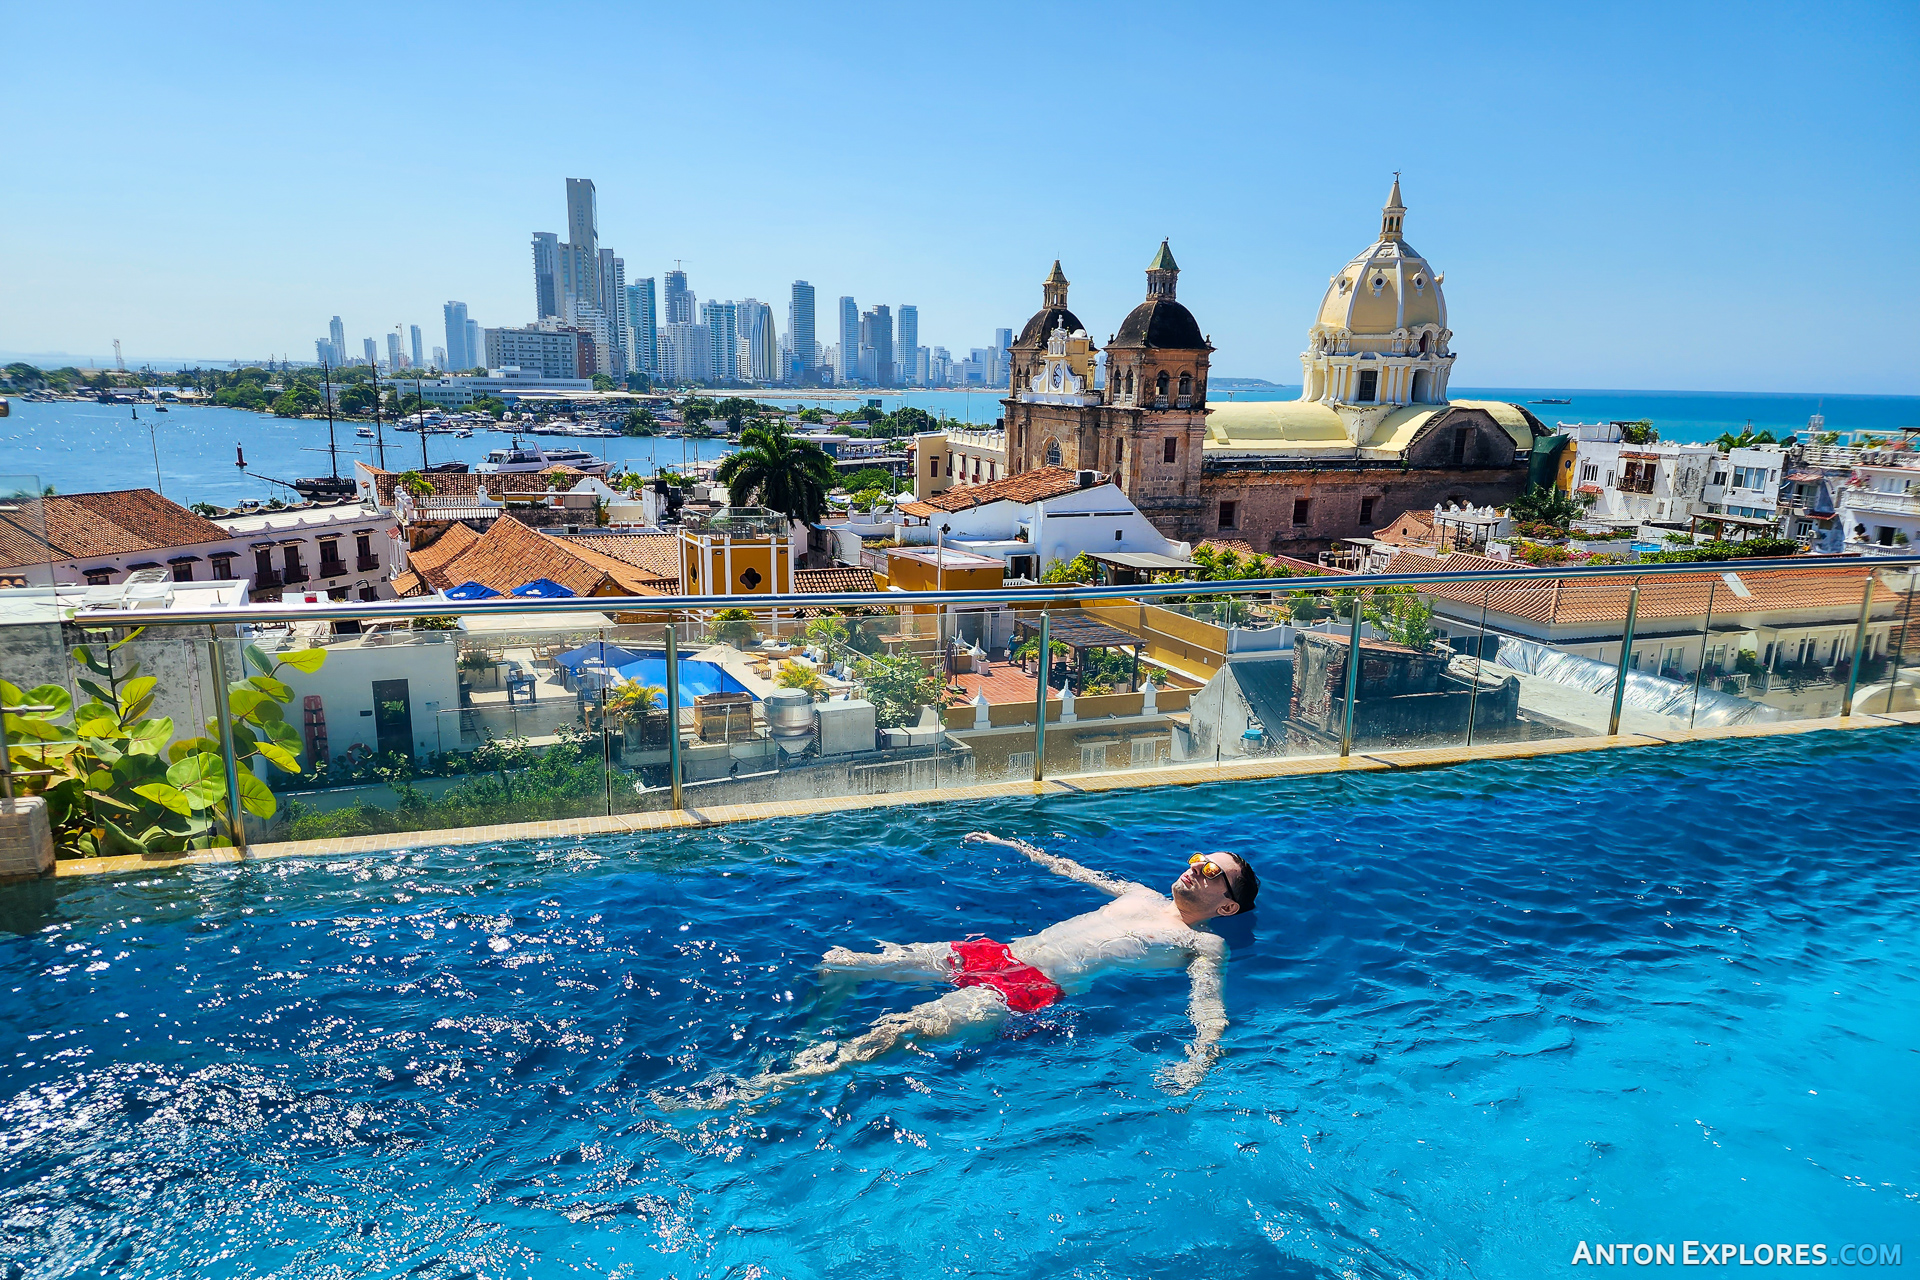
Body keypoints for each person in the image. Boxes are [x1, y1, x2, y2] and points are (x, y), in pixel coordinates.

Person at [661, 832, 1258, 1109]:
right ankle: (811, 1035)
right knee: (839, 962)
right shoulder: (1134, 892)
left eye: (1214, 873)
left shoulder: (1200, 944)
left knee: (900, 1029)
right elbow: (1076, 871)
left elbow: (1210, 1008)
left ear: (1227, 906)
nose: (1198, 869)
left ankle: (761, 1091)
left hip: (1030, 988)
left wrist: (1197, 1060)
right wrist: (1015, 846)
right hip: (994, 953)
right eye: (1201, 859)